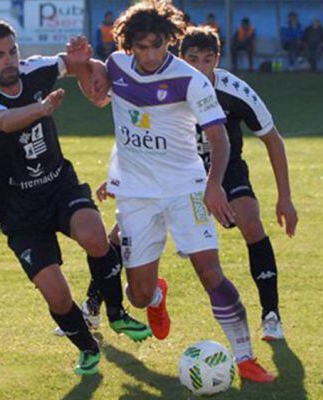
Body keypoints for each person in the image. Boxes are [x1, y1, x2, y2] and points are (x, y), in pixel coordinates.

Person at [81, 0, 276, 383]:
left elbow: (219, 139)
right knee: (137, 294)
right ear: (128, 45)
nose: (151, 54)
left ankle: (245, 357)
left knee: (210, 272)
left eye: (158, 45)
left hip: (186, 187)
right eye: (142, 46)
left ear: (169, 41)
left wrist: (214, 185)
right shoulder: (117, 66)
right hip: (136, 194)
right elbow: (98, 94)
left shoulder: (191, 79)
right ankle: (156, 296)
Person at [0, 18, 150, 375]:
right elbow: (2, 121)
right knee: (57, 295)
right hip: (19, 208)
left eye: (13, 51)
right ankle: (87, 347)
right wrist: (40, 109)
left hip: (58, 185)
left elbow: (76, 63)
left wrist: (88, 66)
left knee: (95, 235)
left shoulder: (35, 69)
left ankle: (116, 313)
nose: (9, 61)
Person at [181, 26, 298, 340]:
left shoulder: (235, 91)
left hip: (227, 168)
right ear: (181, 59)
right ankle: (97, 303)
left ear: (217, 60)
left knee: (250, 220)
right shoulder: (168, 88)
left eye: (207, 60)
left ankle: (271, 314)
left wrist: (284, 198)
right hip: (179, 172)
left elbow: (274, 141)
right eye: (192, 60)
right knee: (123, 231)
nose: (199, 68)